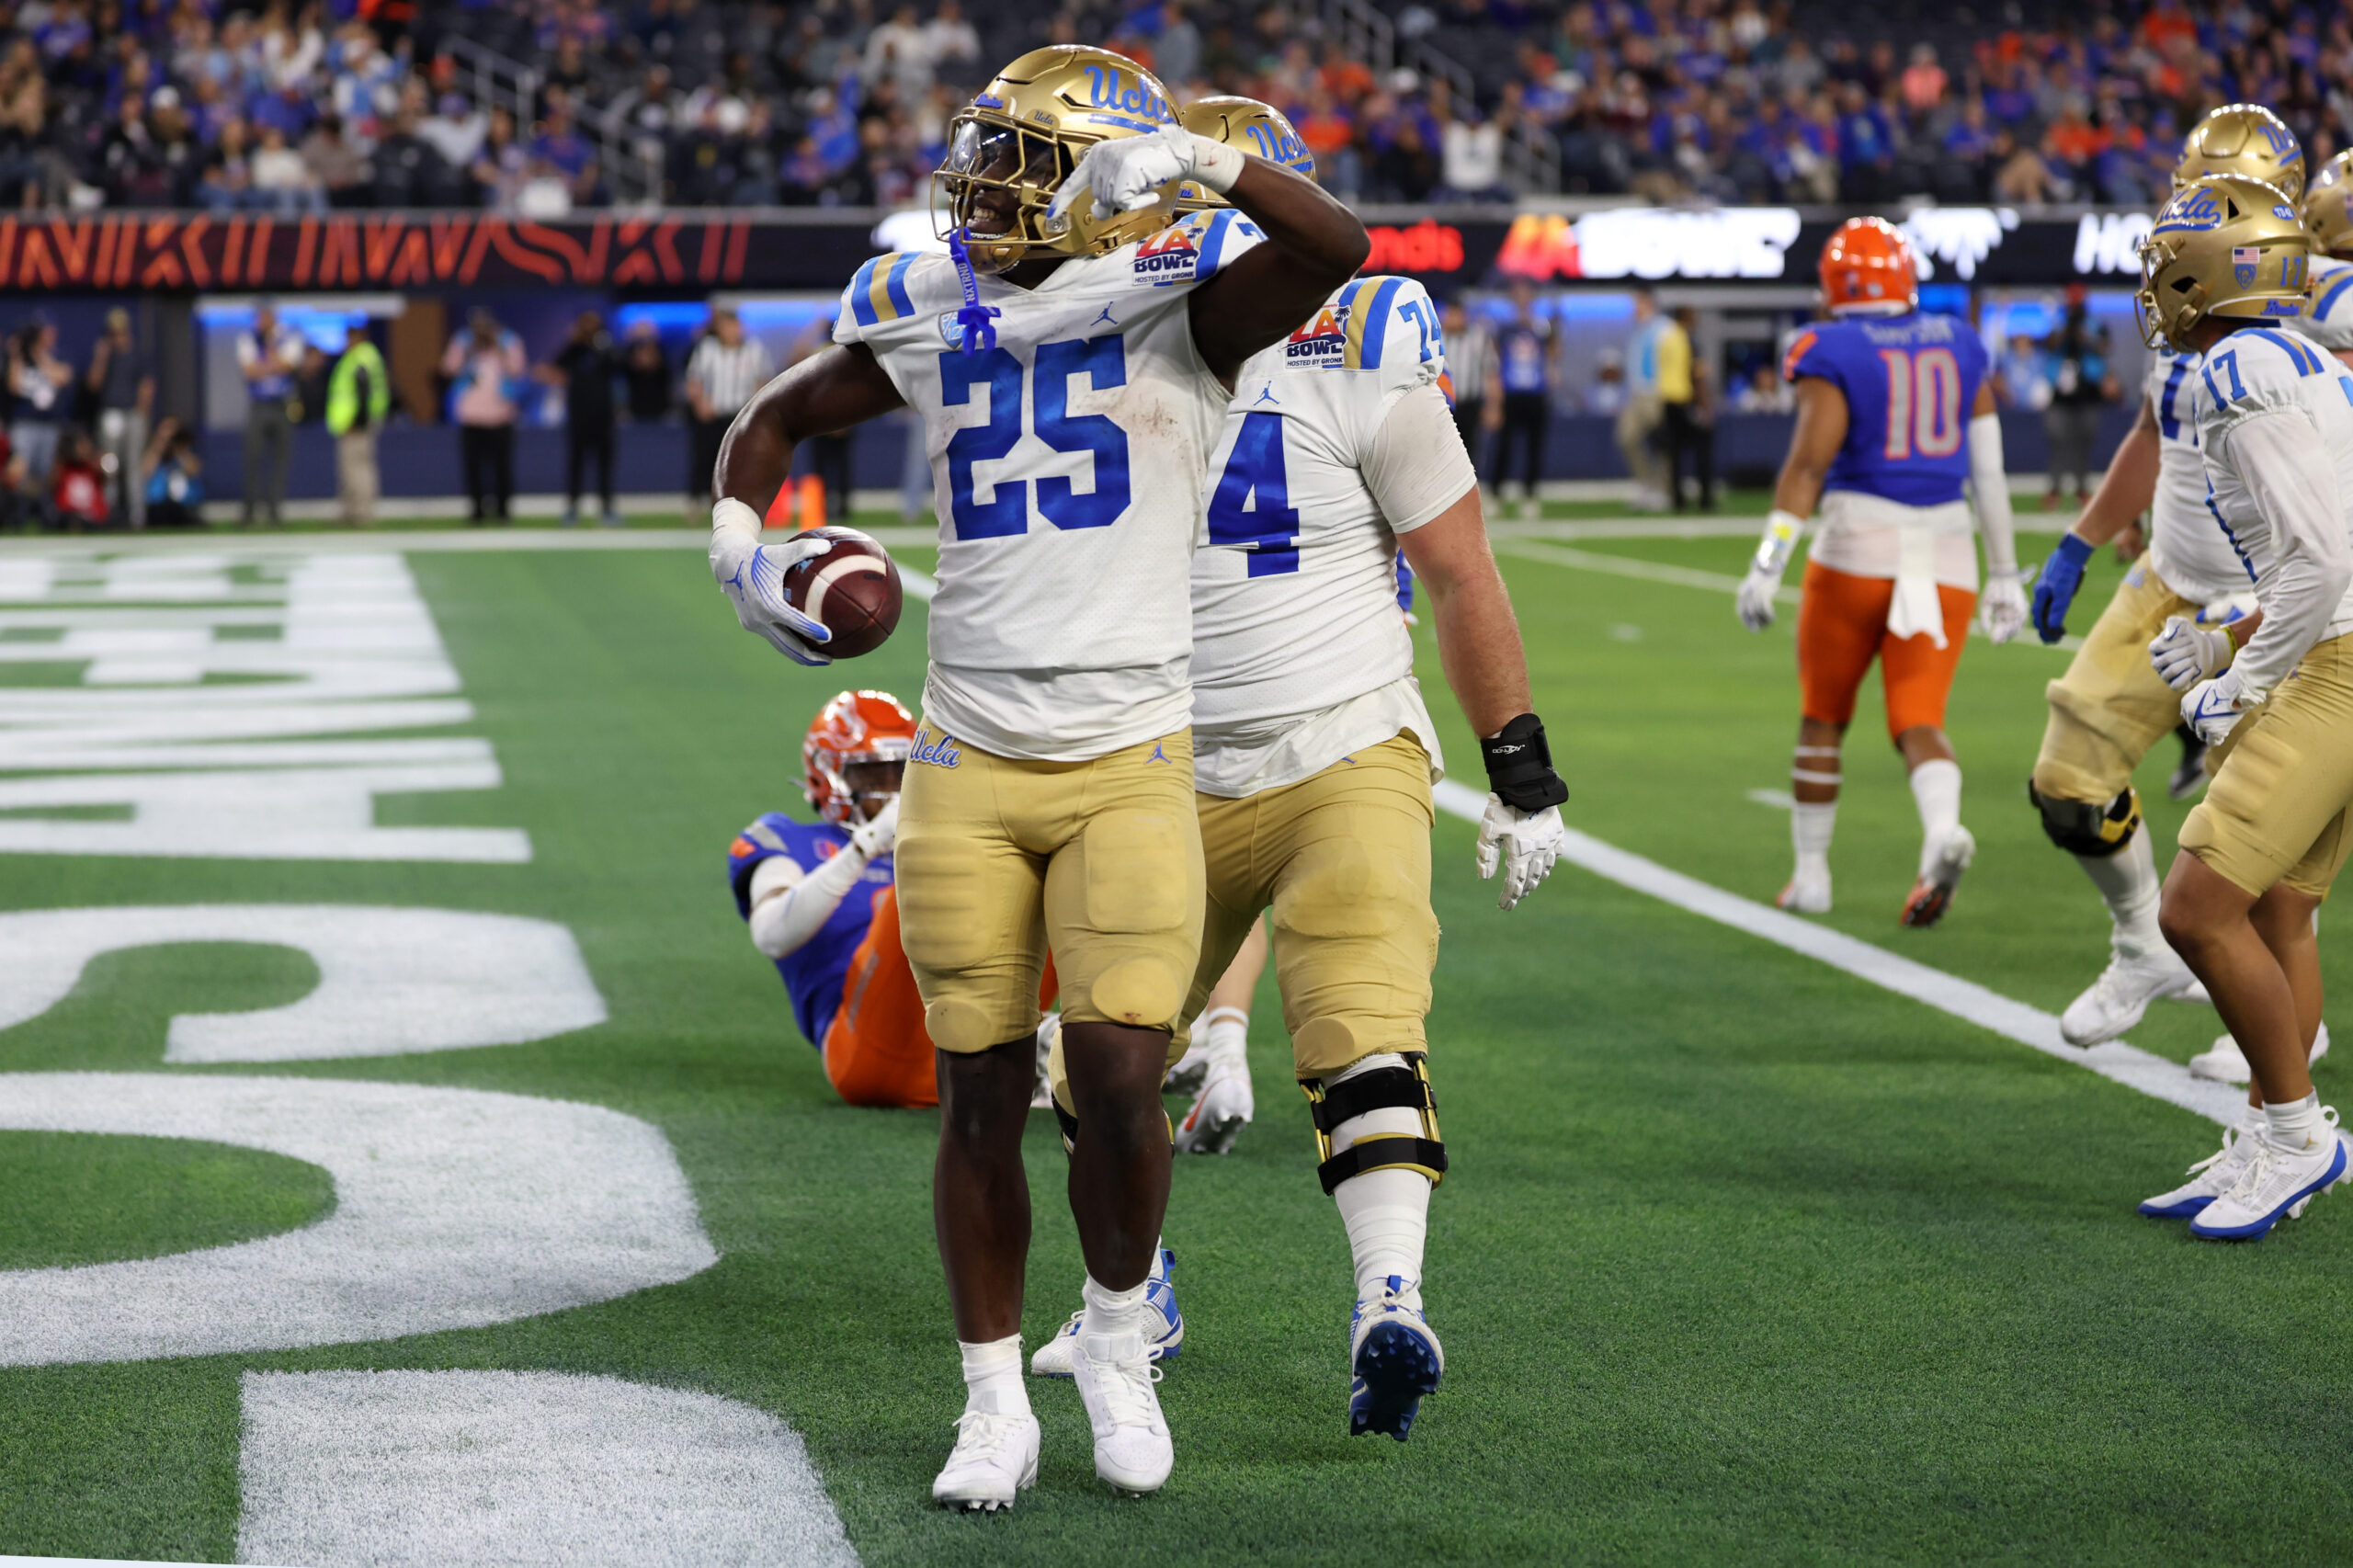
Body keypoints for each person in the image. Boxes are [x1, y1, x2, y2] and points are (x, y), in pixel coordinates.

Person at [709, 45, 1369, 1509]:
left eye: (1018, 158)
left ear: (1099, 178)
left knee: (1126, 1077)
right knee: (979, 1094)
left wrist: (1204, 163)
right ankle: (992, 1399)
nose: (982, 186)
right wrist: (740, 546)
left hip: (1131, 753)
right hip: (965, 758)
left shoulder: (1187, 319)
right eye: (986, 154)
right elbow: (775, 418)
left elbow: (1337, 241)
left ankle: (1120, 1339)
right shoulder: (932, 315)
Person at [1020, 101, 1569, 1451]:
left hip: (1330, 741)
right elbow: (1459, 571)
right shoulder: (1273, 331)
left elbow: (1452, 565)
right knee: (1104, 1054)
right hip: (1174, 762)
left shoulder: (1183, 333)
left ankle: (1382, 1301)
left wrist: (1520, 765)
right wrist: (1521, 771)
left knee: (1337, 1020)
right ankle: (1159, 1292)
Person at [2023, 115, 2322, 1061]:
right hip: (2168, 578)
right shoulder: (2194, 287)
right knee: (2068, 782)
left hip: (2274, 604)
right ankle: (2138, 945)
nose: (2177, 212)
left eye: (2202, 199)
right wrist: (2081, 537)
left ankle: (2281, 1054)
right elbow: (2157, 431)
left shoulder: (2315, 305)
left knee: (2256, 864)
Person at [2131, 175, 2348, 1241]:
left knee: (2192, 908)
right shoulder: (2293, 352)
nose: (2155, 280)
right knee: (2275, 908)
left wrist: (2240, 679)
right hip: (2336, 651)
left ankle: (2301, 1136)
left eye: (2169, 258)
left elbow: (2323, 553)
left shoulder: (2235, 364)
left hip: (2335, 671)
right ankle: (2275, 1130)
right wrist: (2228, 633)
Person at [1734, 218, 2027, 922]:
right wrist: (2007, 573)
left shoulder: (1829, 346)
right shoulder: (1960, 341)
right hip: (1951, 551)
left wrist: (1767, 564)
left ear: (1835, 285)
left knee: (1823, 717)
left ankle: (1811, 877)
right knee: (1919, 717)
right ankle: (1939, 832)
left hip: (1859, 548)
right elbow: (1989, 473)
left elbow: (1807, 466)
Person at [727, 690, 974, 1108]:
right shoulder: (787, 839)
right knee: (916, 890)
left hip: (957, 1039)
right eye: (873, 777)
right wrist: (864, 848)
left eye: (902, 774)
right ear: (829, 777)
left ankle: (1057, 1033)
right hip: (863, 1052)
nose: (892, 791)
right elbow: (771, 935)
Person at [685, 303, 773, 515]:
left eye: (734, 326)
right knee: (705, 459)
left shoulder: (754, 350)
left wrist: (754, 409)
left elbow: (765, 380)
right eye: (726, 327)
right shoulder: (707, 349)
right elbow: (693, 380)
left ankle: (741, 504)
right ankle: (697, 503)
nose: (731, 331)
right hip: (712, 415)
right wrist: (700, 404)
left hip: (740, 416)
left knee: (741, 462)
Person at [439, 309, 525, 523]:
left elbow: (517, 370)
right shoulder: (464, 341)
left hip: (500, 417)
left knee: (502, 467)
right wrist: (469, 351)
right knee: (473, 467)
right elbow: (448, 368)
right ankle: (476, 510)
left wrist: (498, 348)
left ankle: (503, 510)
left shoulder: (507, 341)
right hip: (472, 417)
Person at [2040, 282, 2119, 509]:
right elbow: (2050, 344)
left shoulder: (2095, 325)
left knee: (2084, 442)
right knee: (2057, 441)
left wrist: (2084, 338)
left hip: (2087, 392)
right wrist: (2067, 331)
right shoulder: (2058, 324)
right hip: (2061, 394)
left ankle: (2081, 489)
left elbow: (2104, 348)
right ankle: (2054, 489)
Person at [548, 310, 622, 527]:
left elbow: (619, 365)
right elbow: (554, 366)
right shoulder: (574, 349)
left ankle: (607, 508)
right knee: (576, 464)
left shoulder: (605, 348)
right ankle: (572, 508)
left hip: (603, 417)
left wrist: (603, 346)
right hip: (579, 418)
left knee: (605, 465)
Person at [236, 299, 304, 526]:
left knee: (280, 460)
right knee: (252, 458)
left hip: (282, 405)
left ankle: (275, 510)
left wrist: (265, 363)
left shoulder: (289, 335)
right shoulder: (248, 337)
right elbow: (249, 371)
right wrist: (271, 365)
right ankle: (249, 511)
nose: (261, 321)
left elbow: (288, 365)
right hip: (259, 406)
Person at [1488, 278, 1552, 515]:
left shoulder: (1542, 327)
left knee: (1534, 447)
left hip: (1535, 393)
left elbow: (1554, 355)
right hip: (1511, 393)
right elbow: (1495, 360)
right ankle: (1496, 492)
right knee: (1504, 446)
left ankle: (1530, 494)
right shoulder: (1506, 328)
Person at [86, 308, 152, 528]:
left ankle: (136, 518)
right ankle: (108, 515)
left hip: (131, 415)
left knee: (133, 468)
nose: (117, 337)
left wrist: (141, 415)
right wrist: (101, 357)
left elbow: (146, 387)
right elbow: (93, 384)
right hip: (110, 414)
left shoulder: (137, 354)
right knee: (109, 467)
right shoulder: (106, 355)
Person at [324, 329, 390, 528]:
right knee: (353, 468)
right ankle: (353, 511)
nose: (346, 343)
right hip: (358, 422)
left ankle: (361, 512)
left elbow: (363, 392)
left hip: (357, 424)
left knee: (358, 469)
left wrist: (357, 422)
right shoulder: (368, 357)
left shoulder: (361, 358)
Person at [1657, 303, 1712, 511]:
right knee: (1702, 449)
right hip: (1685, 400)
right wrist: (1704, 406)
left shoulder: (1666, 338)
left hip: (1668, 401)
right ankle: (1705, 499)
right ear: (1686, 317)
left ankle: (1677, 500)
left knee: (1675, 454)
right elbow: (1697, 375)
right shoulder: (1687, 339)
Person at [1618, 290, 1668, 510]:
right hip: (1637, 394)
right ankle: (1646, 484)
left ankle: (1662, 489)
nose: (1634, 308)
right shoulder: (1638, 330)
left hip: (1656, 393)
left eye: (1638, 303)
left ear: (1648, 303)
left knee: (1660, 443)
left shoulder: (1664, 328)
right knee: (1626, 437)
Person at [1438, 297, 1495, 485]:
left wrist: (1493, 406)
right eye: (1450, 313)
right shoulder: (1436, 337)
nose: (1453, 318)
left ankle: (1469, 492)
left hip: (1470, 403)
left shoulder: (1478, 337)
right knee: (1443, 452)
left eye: (1457, 314)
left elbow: (1491, 372)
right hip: (1443, 405)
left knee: (1471, 452)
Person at [142, 416, 204, 528]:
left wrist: (179, 447)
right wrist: (160, 444)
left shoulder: (183, 452)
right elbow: (145, 471)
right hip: (158, 507)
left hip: (184, 507)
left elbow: (194, 470)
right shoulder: (156, 454)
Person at [623, 319, 672, 424]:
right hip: (637, 407)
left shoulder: (661, 349)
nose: (643, 334)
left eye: (646, 330)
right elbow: (628, 370)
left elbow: (663, 371)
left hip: (659, 407)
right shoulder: (629, 351)